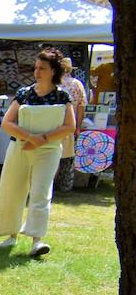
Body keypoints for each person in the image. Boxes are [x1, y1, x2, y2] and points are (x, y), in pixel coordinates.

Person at [0, 48, 76, 259]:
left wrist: (43, 139)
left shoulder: (62, 95)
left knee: (41, 192)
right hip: (20, 148)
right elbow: (7, 123)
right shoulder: (24, 93)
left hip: (47, 151)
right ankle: (11, 235)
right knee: (13, 190)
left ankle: (37, 240)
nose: (37, 72)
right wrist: (30, 137)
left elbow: (69, 126)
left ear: (53, 71)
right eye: (36, 68)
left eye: (43, 68)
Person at [55, 57, 88, 193]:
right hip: (69, 124)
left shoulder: (54, 83)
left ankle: (49, 183)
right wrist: (78, 126)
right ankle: (64, 185)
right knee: (67, 157)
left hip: (53, 123)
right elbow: (81, 106)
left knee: (52, 154)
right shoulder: (77, 84)